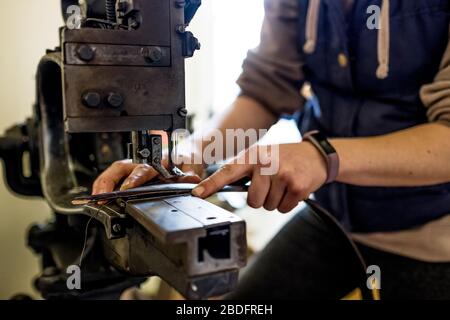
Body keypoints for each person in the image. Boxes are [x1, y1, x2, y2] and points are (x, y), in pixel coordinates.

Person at [93, 0, 450, 299]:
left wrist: (320, 156)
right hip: (334, 216)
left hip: (430, 233)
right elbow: (267, 88)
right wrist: (188, 156)